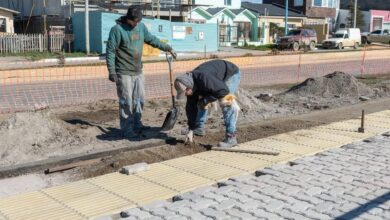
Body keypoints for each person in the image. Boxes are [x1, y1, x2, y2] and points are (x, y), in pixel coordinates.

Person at [106, 5, 176, 138]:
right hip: (123, 72)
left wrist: (167, 47)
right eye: (135, 21)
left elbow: (151, 39)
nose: (136, 23)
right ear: (128, 19)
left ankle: (137, 123)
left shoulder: (141, 27)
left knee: (140, 99)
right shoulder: (117, 30)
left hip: (138, 71)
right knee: (126, 101)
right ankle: (127, 129)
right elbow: (110, 51)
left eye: (138, 21)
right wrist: (111, 71)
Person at [174, 59, 241, 148]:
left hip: (230, 74)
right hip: (214, 81)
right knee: (200, 99)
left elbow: (223, 91)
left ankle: (231, 137)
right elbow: (191, 108)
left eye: (186, 92)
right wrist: (191, 128)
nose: (186, 94)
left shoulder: (204, 78)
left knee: (226, 102)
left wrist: (206, 100)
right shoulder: (191, 86)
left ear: (189, 85)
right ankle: (198, 128)